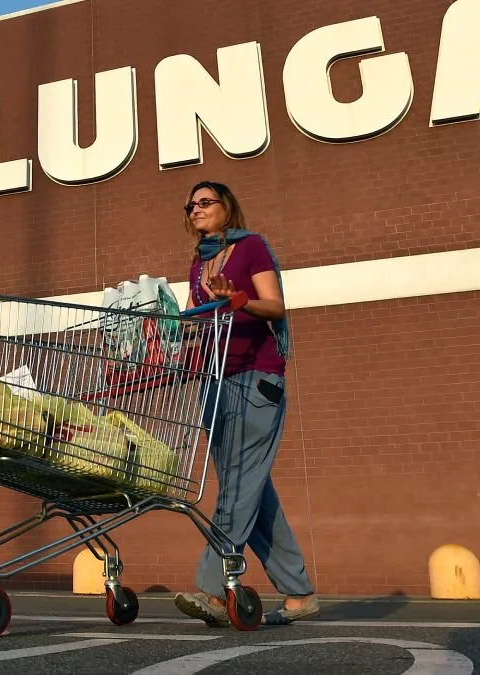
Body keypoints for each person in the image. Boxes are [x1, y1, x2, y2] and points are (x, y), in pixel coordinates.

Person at [172, 180, 320, 627]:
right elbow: (199, 319)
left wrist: (235, 299)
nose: (195, 209)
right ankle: (298, 593)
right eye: (190, 205)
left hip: (256, 380)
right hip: (216, 380)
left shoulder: (251, 247)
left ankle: (213, 590)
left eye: (205, 202)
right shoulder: (198, 264)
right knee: (253, 491)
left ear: (226, 207)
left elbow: (274, 306)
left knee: (237, 487)